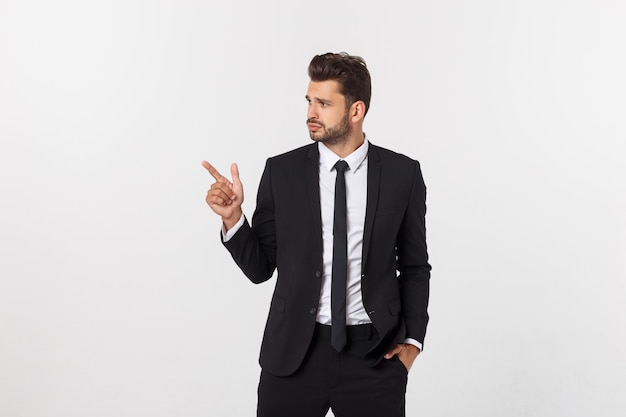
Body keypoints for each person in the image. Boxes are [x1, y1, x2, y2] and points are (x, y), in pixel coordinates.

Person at [202, 52, 431, 417]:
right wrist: (233, 220)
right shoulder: (282, 172)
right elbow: (261, 268)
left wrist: (412, 343)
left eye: (324, 103)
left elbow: (416, 266)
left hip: (373, 357)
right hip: (294, 353)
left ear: (356, 111)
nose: (311, 112)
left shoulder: (403, 175)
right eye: (310, 101)